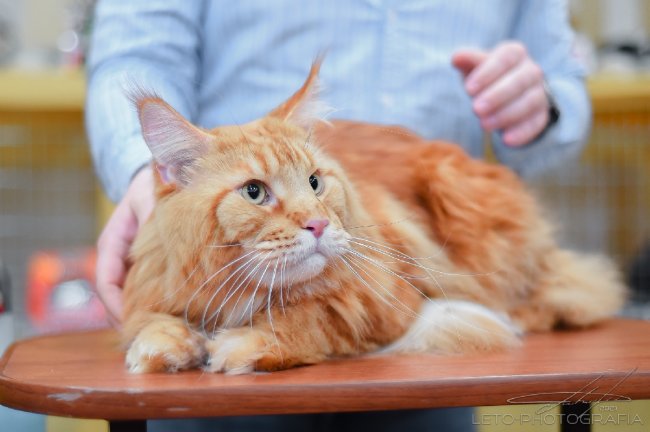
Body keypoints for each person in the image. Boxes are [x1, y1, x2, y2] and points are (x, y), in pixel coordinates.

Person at [86, 1, 590, 430]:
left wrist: (543, 104)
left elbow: (565, 83)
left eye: (313, 186)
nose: (312, 219)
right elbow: (134, 53)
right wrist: (142, 171)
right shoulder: (189, 196)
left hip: (423, 360)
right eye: (257, 192)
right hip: (215, 400)